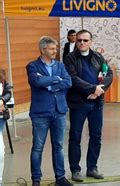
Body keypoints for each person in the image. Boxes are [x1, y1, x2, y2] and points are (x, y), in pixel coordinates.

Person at [64, 29, 113, 182]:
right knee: (75, 137)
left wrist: (99, 91)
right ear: (75, 41)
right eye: (79, 40)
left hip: (96, 103)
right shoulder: (70, 58)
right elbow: (73, 78)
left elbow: (109, 74)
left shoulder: (98, 57)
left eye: (85, 40)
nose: (82, 43)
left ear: (91, 41)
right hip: (78, 104)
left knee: (96, 137)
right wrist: (92, 89)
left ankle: (92, 167)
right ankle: (75, 170)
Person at [26, 36, 73, 186]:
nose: (55, 51)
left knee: (58, 146)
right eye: (52, 48)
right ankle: (36, 179)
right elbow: (36, 81)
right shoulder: (32, 66)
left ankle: (60, 178)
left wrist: (50, 83)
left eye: (56, 48)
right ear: (43, 49)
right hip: (40, 113)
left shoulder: (60, 65)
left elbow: (68, 82)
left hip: (59, 112)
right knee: (38, 147)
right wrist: (56, 79)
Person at [0, 69, 12, 185]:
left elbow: (8, 92)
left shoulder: (2, 76)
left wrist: (2, 101)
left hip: (0, 117)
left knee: (1, 152)